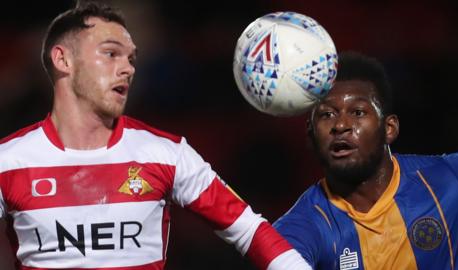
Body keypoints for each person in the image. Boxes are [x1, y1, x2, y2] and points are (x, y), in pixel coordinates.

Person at [0, 2, 312, 270]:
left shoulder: (166, 153)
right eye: (111, 54)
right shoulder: (9, 161)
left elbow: (250, 231)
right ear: (63, 60)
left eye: (131, 59)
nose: (127, 69)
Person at [273, 52, 458, 269]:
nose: (341, 125)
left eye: (358, 112)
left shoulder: (453, 179)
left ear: (389, 129)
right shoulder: (305, 225)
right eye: (327, 115)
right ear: (311, 134)